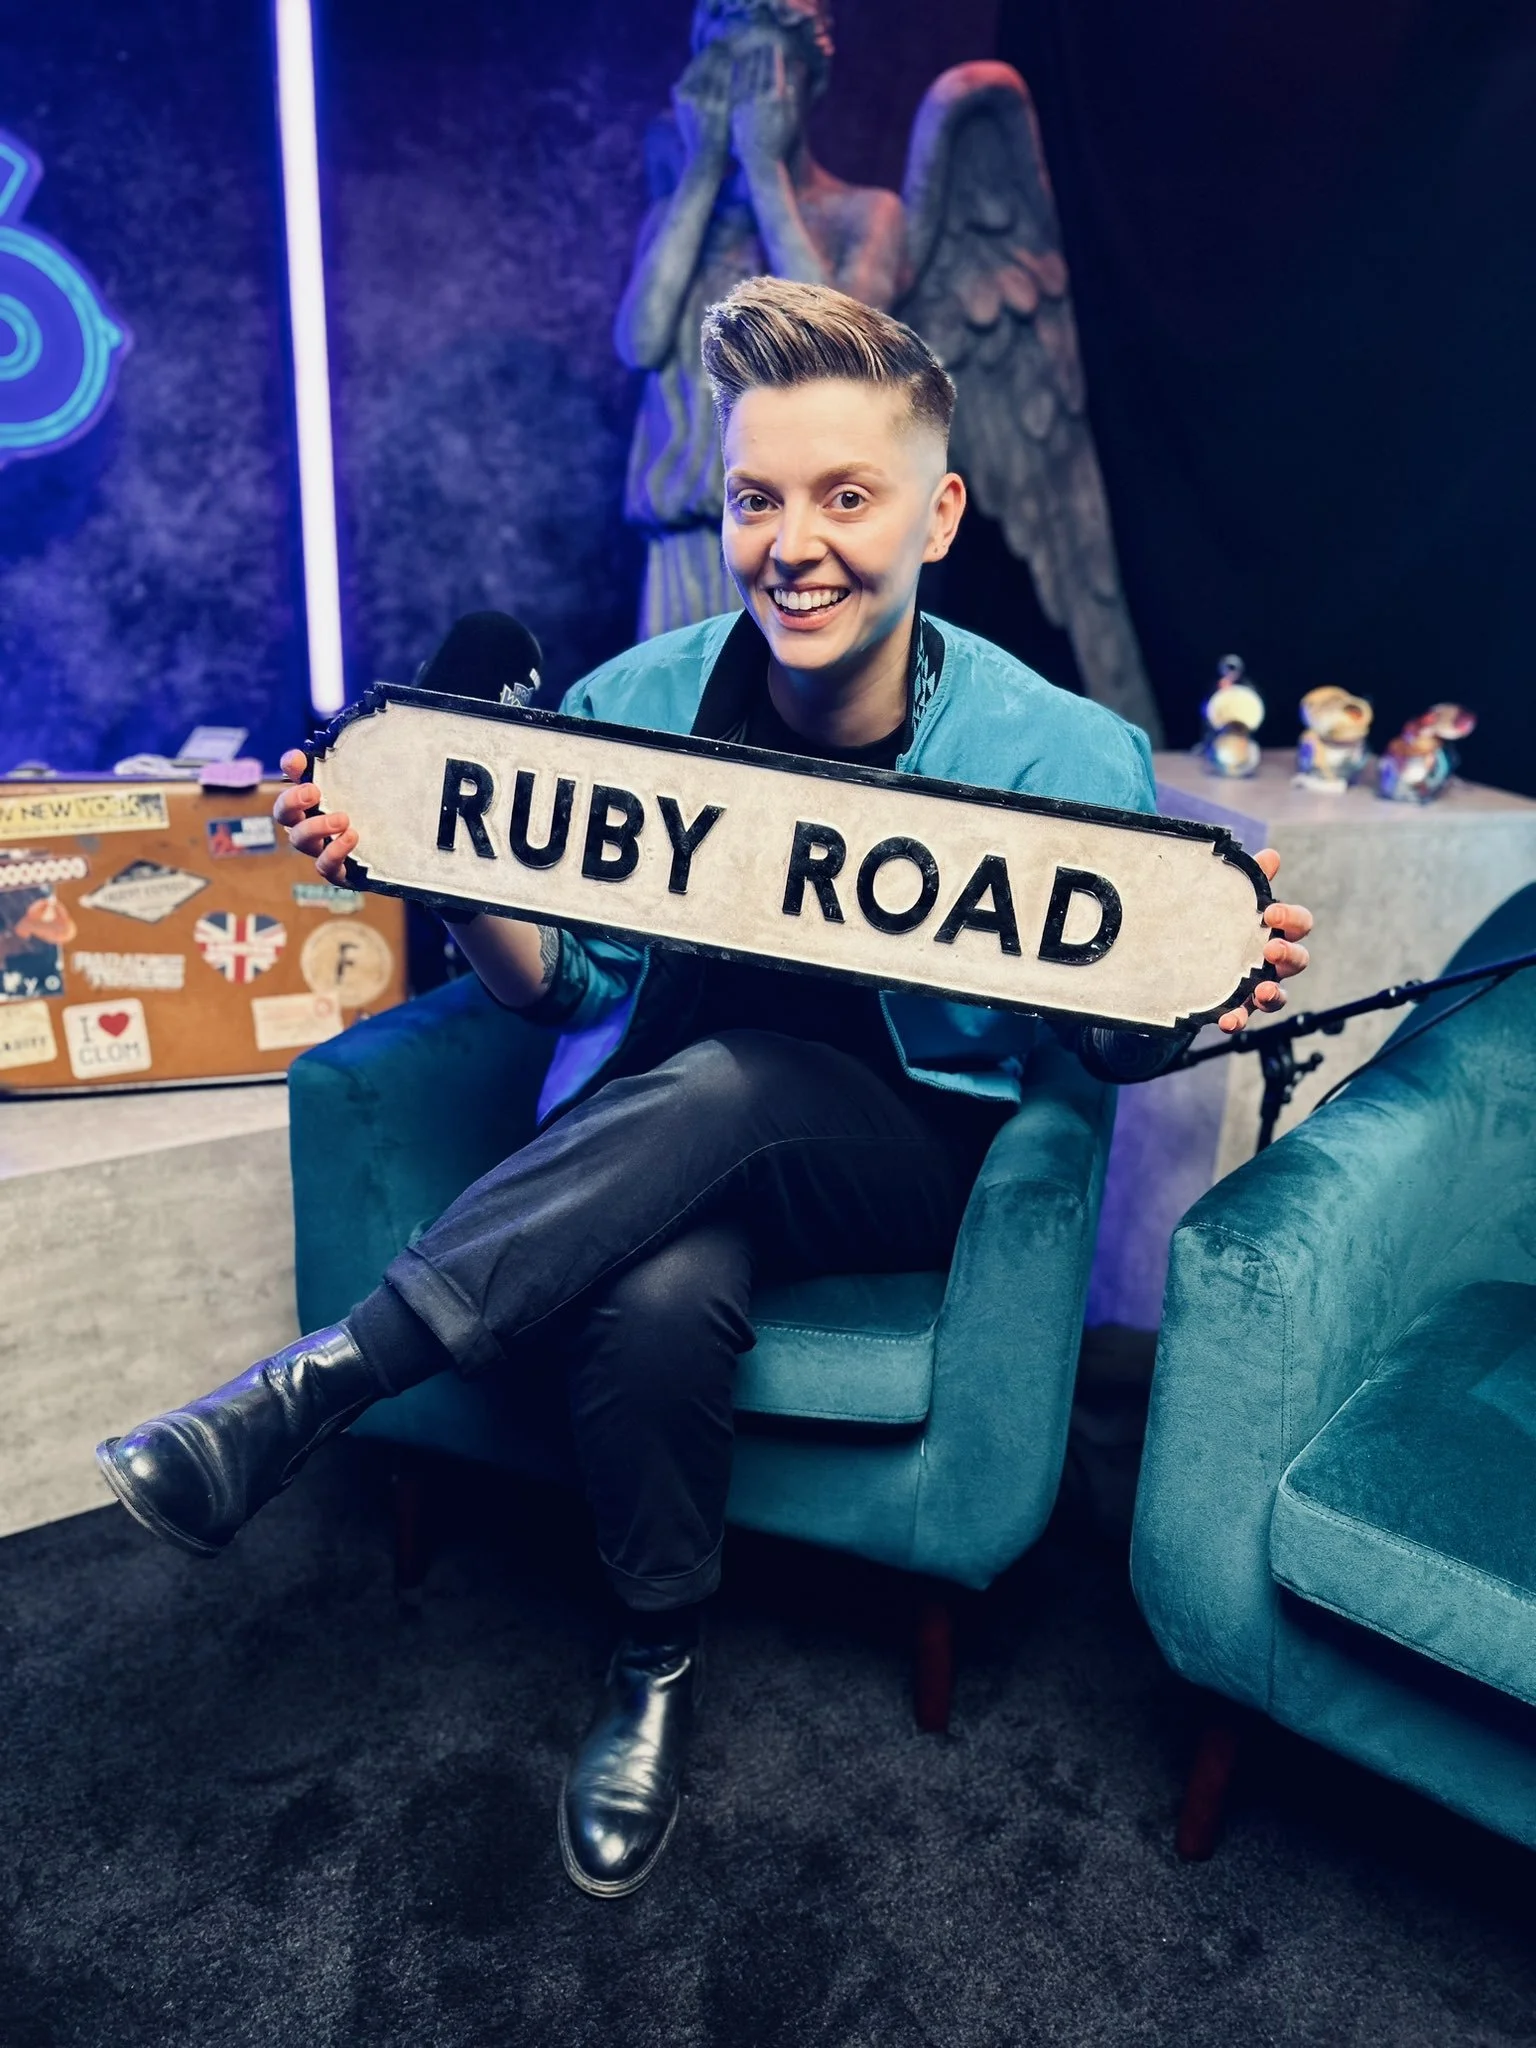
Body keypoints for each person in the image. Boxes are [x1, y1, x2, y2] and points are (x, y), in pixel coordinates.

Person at [97, 278, 1313, 1899]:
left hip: (901, 1145)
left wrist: (1189, 991)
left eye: (845, 495)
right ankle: (653, 1661)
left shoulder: (1062, 755)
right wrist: (442, 869)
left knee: (740, 1076)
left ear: (939, 513)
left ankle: (320, 1381)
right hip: (653, 1145)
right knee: (660, 1282)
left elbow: (1091, 1044)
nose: (789, 541)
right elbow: (571, 985)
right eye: (756, 497)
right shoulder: (633, 707)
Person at [617, 0, 903, 635]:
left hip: (803, 543)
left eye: (764, 76)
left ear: (804, 84)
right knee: (663, 724)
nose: (744, 97)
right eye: (726, 73)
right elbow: (639, 341)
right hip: (686, 532)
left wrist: (765, 166)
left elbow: (838, 347)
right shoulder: (676, 220)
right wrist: (700, 168)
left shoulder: (863, 214)